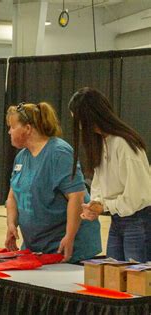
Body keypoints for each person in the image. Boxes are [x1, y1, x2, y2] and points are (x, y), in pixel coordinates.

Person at [4, 102, 101, 263]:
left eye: (12, 127)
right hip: (36, 247)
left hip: (65, 248)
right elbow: (12, 197)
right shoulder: (22, 157)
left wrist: (69, 237)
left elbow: (76, 197)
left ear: (27, 129)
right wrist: (11, 225)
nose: (9, 131)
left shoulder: (59, 153)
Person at [68, 87, 151, 262]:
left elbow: (136, 198)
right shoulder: (101, 142)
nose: (79, 125)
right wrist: (95, 204)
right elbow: (98, 182)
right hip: (117, 221)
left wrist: (104, 206)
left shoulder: (124, 145)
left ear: (90, 116)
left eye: (79, 119)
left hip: (138, 221)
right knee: (113, 277)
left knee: (137, 281)